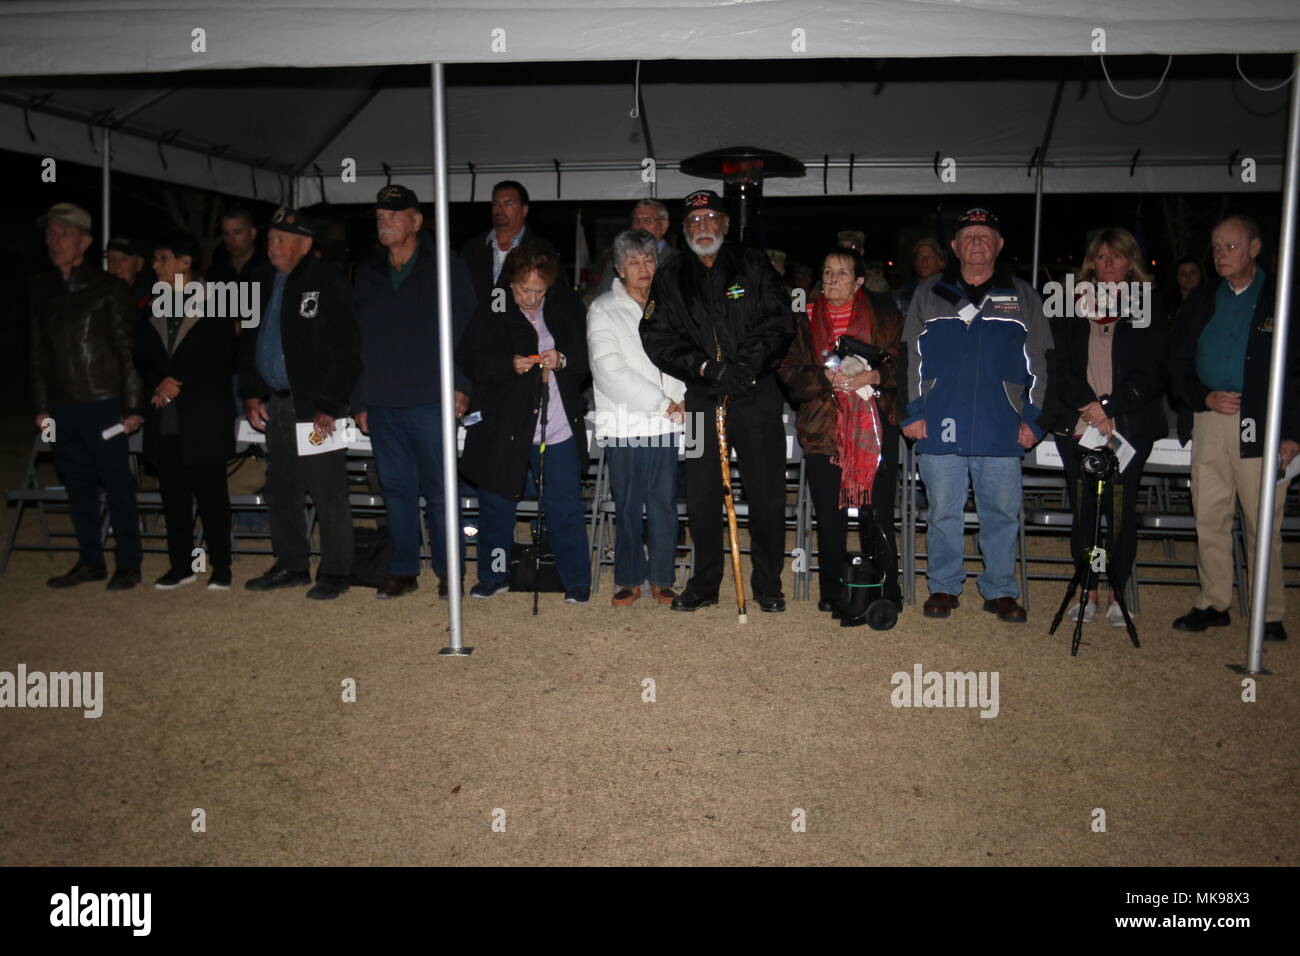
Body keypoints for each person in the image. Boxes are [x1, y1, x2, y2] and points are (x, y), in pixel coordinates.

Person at [640, 189, 794, 613]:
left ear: (725, 223)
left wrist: (744, 367)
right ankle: (705, 582)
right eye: (693, 221)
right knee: (702, 493)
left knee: (766, 492)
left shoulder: (752, 263)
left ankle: (767, 583)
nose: (701, 226)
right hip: (700, 398)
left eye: (709, 218)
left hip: (755, 392)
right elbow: (655, 337)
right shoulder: (671, 276)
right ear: (684, 230)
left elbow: (779, 321)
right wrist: (706, 368)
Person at [901, 207, 1052, 623]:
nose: (977, 242)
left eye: (986, 235)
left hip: (1002, 423)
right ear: (955, 246)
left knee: (1001, 513)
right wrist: (912, 413)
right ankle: (944, 587)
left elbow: (1042, 359)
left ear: (999, 245)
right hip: (940, 420)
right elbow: (909, 356)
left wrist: (1034, 419)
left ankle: (1000, 589)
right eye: (969, 236)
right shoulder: (930, 292)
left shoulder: (1023, 295)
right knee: (944, 510)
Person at [1168, 214, 1299, 641]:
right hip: (1210, 420)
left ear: (1255, 249)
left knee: (1264, 518)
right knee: (1209, 512)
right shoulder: (1203, 297)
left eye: (1230, 247)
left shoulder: (1280, 298)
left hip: (1263, 421)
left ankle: (1269, 611)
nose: (1220, 255)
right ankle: (1214, 601)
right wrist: (1200, 396)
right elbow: (1177, 360)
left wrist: (1292, 432)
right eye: (1216, 247)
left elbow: (1297, 371)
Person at [353, 184, 477, 599]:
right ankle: (404, 567)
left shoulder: (446, 266)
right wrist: (360, 397)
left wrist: (462, 384)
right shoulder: (368, 270)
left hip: (431, 396)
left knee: (441, 490)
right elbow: (359, 338)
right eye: (379, 217)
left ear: (416, 221)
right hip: (383, 398)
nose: (383, 222)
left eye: (393, 215)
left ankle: (449, 570)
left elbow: (466, 329)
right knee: (396, 489)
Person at [1042, 227, 1167, 626]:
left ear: (1132, 261)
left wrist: (1110, 406)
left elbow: (1154, 371)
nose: (1108, 264)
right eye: (1100, 257)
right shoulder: (1067, 305)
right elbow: (1058, 365)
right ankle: (1088, 592)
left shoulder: (1147, 305)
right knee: (1086, 511)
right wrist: (1091, 408)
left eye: (1116, 256)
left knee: (1119, 512)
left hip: (1127, 424)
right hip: (1079, 422)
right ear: (1090, 263)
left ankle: (1117, 593)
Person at [458, 239, 592, 604]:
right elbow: (471, 359)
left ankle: (577, 581)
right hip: (504, 427)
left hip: (556, 424)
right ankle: (493, 574)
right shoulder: (494, 305)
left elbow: (583, 357)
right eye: (523, 289)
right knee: (498, 507)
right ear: (510, 283)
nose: (531, 298)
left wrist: (561, 359)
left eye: (538, 291)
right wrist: (509, 364)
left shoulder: (565, 305)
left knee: (563, 506)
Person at [240, 207, 360, 600]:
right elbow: (253, 343)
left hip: (315, 409)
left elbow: (347, 349)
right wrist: (251, 391)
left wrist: (329, 402)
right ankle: (291, 565)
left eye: (281, 240)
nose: (272, 246)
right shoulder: (263, 281)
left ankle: (337, 570)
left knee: (326, 489)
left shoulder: (326, 280)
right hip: (277, 403)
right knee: (283, 488)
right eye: (270, 238)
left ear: (305, 244)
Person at [779, 249, 904, 613]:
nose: (832, 279)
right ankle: (833, 591)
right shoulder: (805, 319)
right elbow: (788, 369)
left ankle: (885, 587)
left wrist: (875, 375)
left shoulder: (884, 314)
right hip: (823, 427)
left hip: (875, 426)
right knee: (830, 516)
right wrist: (824, 377)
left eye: (842, 273)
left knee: (878, 512)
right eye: (827, 272)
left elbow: (904, 357)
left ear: (859, 281)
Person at [30, 203, 144, 591]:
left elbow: (127, 350)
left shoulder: (108, 287)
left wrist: (132, 405)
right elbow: (37, 353)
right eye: (50, 233)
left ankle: (128, 563)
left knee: (117, 483)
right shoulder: (41, 289)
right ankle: (90, 560)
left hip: (104, 402)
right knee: (76, 484)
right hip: (63, 406)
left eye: (63, 233)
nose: (54, 240)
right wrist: (42, 406)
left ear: (85, 241)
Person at [588, 229, 686, 607]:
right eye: (634, 262)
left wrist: (684, 400)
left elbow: (686, 356)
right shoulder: (602, 309)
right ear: (619, 268)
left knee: (665, 503)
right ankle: (628, 578)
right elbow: (609, 372)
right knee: (627, 503)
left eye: (648, 260)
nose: (643, 268)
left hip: (674, 421)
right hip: (627, 422)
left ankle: (662, 577)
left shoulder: (671, 303)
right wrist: (664, 403)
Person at [136, 230, 236, 590]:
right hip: (165, 415)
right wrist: (158, 383)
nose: (155, 266)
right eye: (155, 259)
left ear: (185, 262)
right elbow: (144, 359)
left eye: (162, 258)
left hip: (203, 414)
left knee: (211, 495)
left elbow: (218, 354)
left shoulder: (217, 301)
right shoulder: (152, 305)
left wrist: (176, 380)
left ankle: (221, 567)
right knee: (173, 494)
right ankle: (180, 565)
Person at [459, 180, 558, 308]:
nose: (500, 209)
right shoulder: (472, 249)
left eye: (508, 204)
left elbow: (553, 294)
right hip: (478, 324)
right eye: (496, 204)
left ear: (524, 210)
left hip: (522, 324)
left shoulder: (541, 250)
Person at [596, 199, 677, 295]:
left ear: (664, 225)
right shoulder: (618, 261)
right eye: (636, 220)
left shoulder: (680, 262)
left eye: (647, 220)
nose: (640, 226)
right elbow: (605, 298)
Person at [206, 206, 272, 287]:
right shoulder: (216, 272)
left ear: (253, 233)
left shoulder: (269, 268)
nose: (231, 239)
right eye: (226, 234)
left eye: (237, 232)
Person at [893, 237, 946, 317]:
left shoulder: (954, 293)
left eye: (929, 256)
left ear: (941, 262)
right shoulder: (900, 297)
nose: (924, 261)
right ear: (914, 263)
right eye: (920, 256)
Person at [105, 236, 154, 316]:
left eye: (123, 259)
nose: (116, 265)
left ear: (139, 264)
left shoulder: (151, 303)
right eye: (111, 259)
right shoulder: (98, 296)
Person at [1168, 255, 1205, 324]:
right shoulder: (1169, 306)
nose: (1188, 277)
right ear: (1177, 277)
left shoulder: (1209, 302)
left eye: (1193, 272)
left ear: (1200, 274)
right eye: (1183, 274)